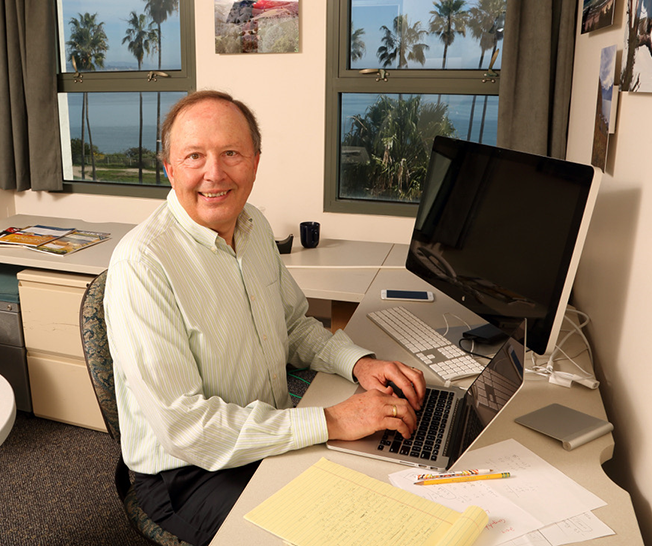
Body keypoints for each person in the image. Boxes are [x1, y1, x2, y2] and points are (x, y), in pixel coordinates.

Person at [104, 90, 426, 545]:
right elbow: (186, 430)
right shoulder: (142, 264)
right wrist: (334, 420)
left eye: (231, 153)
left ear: (255, 161)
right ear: (169, 168)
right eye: (194, 156)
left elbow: (292, 325)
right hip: (190, 473)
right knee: (330, 534)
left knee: (385, 494)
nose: (214, 173)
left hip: (265, 433)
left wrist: (358, 364)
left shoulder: (252, 226)